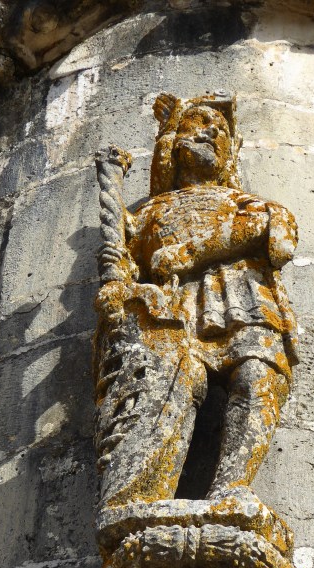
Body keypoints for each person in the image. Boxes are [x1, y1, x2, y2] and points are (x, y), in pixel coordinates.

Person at [94, 93, 298, 512]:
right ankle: (146, 492)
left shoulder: (242, 203)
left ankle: (232, 487)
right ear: (171, 143)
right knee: (176, 382)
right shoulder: (150, 211)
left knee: (256, 379)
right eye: (198, 123)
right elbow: (126, 265)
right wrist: (117, 274)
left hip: (242, 298)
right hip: (174, 309)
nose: (209, 132)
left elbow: (277, 234)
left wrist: (192, 252)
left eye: (220, 132)